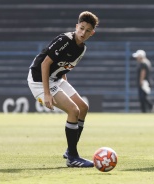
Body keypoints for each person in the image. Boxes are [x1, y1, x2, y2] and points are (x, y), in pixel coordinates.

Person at [27, 11, 99, 167]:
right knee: (73, 110)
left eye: (87, 30)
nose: (83, 32)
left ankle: (70, 150)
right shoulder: (64, 40)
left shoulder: (82, 48)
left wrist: (63, 82)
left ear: (92, 33)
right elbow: (45, 64)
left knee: (83, 107)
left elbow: (64, 66)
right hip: (39, 80)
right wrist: (47, 94)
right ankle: (72, 157)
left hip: (56, 79)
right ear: (76, 26)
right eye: (81, 28)